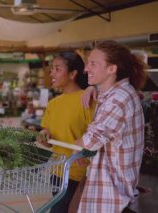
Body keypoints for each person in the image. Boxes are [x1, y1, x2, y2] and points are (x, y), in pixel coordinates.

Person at [76, 40, 146, 212]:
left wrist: (74, 147)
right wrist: (92, 88)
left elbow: (90, 142)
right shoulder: (114, 93)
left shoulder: (118, 99)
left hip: (114, 197)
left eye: (93, 63)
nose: (86, 69)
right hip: (110, 192)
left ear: (112, 69)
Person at [38, 51, 96, 213]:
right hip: (57, 172)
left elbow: (97, 135)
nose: (52, 73)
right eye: (52, 69)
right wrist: (44, 137)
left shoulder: (87, 100)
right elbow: (47, 134)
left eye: (57, 69)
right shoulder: (53, 104)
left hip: (79, 174)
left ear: (72, 74)